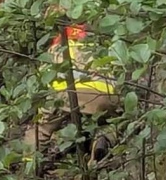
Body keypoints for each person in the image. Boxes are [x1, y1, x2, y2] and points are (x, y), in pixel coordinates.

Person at [24, 23, 119, 167]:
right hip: (103, 93)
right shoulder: (98, 47)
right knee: (110, 122)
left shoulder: (53, 51)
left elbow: (42, 85)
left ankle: (30, 170)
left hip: (65, 95)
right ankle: (103, 140)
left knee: (41, 130)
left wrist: (43, 116)